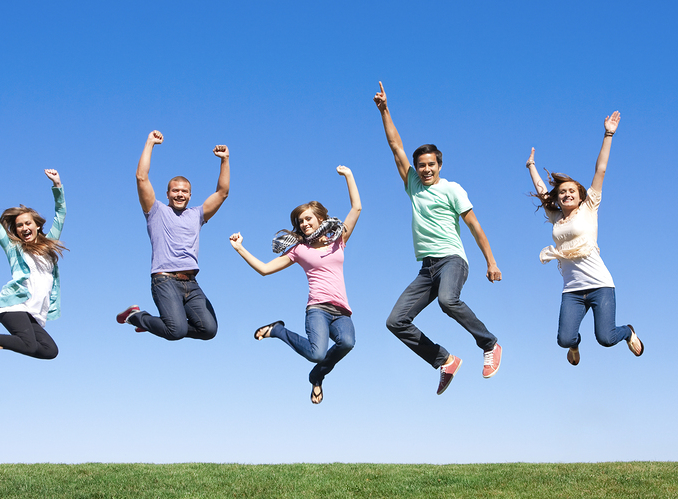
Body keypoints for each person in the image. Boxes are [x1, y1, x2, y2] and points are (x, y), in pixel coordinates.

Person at [373, 81, 503, 395]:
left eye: (431, 164)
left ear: (440, 165)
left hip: (452, 260)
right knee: (395, 321)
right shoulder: (413, 185)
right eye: (421, 165)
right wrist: (384, 110)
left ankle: (489, 344)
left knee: (447, 300)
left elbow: (474, 226)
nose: (426, 169)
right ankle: (444, 360)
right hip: (426, 268)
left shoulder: (452, 189)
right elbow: (396, 146)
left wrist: (491, 261)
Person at [229, 166, 362, 404]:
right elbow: (265, 269)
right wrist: (240, 248)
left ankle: (317, 376)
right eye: (300, 221)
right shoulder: (299, 250)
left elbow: (356, 208)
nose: (304, 223)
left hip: (342, 310)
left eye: (308, 218)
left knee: (348, 342)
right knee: (317, 353)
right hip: (318, 309)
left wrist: (349, 176)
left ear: (320, 218)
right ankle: (278, 330)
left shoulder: (338, 240)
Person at [526, 111, 643, 365]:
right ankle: (575, 345)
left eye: (572, 191)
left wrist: (608, 134)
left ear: (580, 196)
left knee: (606, 338)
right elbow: (542, 192)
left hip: (600, 285)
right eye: (562, 192)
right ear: (558, 198)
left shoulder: (589, 208)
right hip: (572, 290)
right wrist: (531, 166)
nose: (567, 194)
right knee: (564, 339)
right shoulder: (556, 217)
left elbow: (601, 169)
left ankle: (628, 331)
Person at [116, 130, 229, 341]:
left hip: (192, 283)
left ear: (190, 195)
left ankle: (158, 325)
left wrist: (225, 160)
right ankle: (136, 317)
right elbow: (141, 178)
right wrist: (150, 143)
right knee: (176, 331)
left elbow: (222, 193)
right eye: (175, 191)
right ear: (167, 194)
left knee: (209, 330)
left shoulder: (197, 215)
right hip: (165, 280)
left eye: (184, 191)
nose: (180, 194)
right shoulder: (155, 211)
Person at [0, 168, 67, 364]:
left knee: (50, 351)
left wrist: (57, 184)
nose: (24, 228)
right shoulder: (13, 247)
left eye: (28, 223)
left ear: (37, 225)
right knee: (29, 344)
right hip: (14, 306)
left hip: (32, 311)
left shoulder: (49, 245)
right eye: (19, 226)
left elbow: (61, 214)